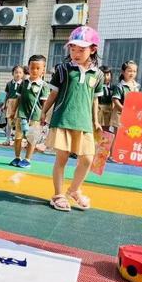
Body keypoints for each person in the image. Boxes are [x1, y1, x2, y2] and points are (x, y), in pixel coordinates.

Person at [41, 26, 104, 212]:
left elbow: (95, 99)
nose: (76, 53)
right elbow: (53, 94)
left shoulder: (98, 74)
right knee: (62, 158)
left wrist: (96, 121)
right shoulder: (62, 69)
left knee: (87, 159)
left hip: (84, 123)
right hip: (63, 119)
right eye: (73, 48)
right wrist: (44, 111)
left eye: (81, 49)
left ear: (93, 49)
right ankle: (58, 195)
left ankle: (74, 190)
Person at [9, 55, 49, 169]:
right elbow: (18, 98)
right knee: (18, 137)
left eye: (38, 68)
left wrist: (44, 115)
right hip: (21, 115)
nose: (34, 70)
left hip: (35, 117)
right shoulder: (24, 82)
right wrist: (13, 111)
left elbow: (45, 103)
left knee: (32, 139)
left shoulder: (43, 85)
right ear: (28, 68)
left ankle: (27, 159)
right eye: (32, 68)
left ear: (43, 70)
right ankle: (17, 157)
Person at [110, 60, 140, 130]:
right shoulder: (120, 86)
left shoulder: (137, 86)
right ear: (123, 72)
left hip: (132, 115)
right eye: (129, 71)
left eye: (134, 71)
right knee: (118, 132)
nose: (132, 73)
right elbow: (115, 100)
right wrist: (123, 110)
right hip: (120, 115)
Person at [2, 65, 24, 145]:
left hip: (19, 104)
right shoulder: (9, 84)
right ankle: (8, 139)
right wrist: (4, 104)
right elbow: (7, 95)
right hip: (10, 104)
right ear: (13, 73)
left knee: (18, 123)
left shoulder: (24, 84)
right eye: (16, 72)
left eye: (20, 72)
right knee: (9, 123)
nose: (18, 74)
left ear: (23, 74)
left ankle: (17, 140)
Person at [98, 65, 113, 131]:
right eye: (103, 75)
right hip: (99, 110)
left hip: (109, 111)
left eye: (108, 75)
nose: (106, 77)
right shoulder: (97, 86)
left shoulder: (113, 87)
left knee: (107, 129)